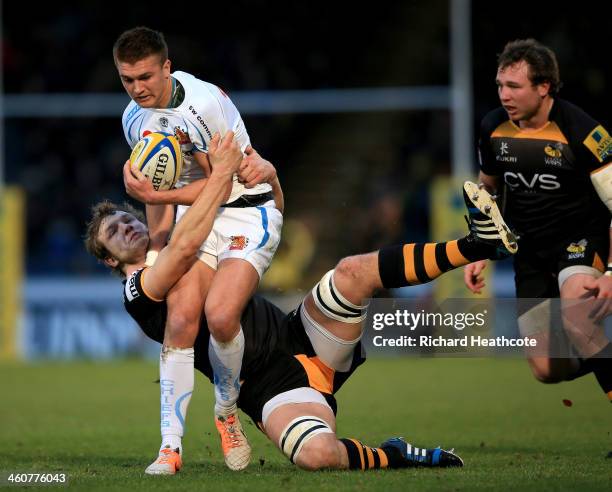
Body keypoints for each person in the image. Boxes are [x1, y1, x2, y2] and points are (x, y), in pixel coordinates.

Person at [86, 133, 518, 474]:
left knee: (351, 271)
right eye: (115, 233)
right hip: (269, 388)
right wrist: (189, 187)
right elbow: (176, 254)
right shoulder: (139, 291)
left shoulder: (190, 235)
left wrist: (271, 178)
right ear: (109, 260)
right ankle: (394, 455)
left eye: (127, 219)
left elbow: (267, 216)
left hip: (301, 333)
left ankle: (475, 243)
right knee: (315, 455)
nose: (126, 228)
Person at [113, 26, 284, 469]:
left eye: (146, 77)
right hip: (198, 215)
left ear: (167, 67)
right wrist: (156, 250)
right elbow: (159, 189)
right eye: (128, 80)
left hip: (247, 207)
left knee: (222, 315)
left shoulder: (202, 105)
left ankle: (226, 412)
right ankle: (170, 448)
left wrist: (157, 198)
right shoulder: (133, 117)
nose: (137, 89)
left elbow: (224, 184)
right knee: (182, 316)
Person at [464, 39, 612, 401]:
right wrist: (479, 248)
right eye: (500, 85)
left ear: (543, 87)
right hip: (529, 250)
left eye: (514, 86)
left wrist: (610, 271)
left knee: (577, 315)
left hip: (580, 240)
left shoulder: (584, 133)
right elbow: (487, 190)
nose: (504, 95)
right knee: (547, 369)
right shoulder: (492, 128)